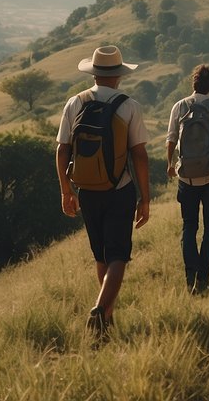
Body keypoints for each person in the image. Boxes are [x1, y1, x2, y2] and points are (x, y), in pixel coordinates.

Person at [54, 45, 151, 340]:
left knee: (101, 255)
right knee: (118, 255)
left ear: (94, 73)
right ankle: (99, 310)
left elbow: (62, 150)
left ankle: (106, 321)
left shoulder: (75, 102)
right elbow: (140, 155)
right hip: (118, 189)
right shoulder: (129, 105)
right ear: (119, 76)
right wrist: (144, 198)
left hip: (86, 191)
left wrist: (65, 190)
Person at [165, 63, 209, 295]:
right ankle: (203, 277)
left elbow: (171, 140)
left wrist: (170, 164)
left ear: (193, 82)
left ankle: (190, 275)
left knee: (189, 226)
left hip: (186, 177)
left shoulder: (179, 106)